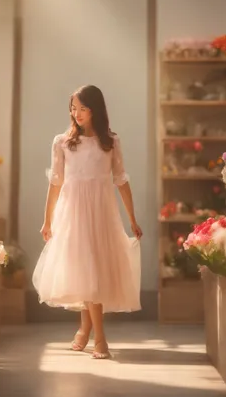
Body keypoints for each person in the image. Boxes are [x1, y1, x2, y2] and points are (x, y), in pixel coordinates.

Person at [33, 84, 142, 360]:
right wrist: (47, 220)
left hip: (102, 212)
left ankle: (84, 330)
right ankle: (100, 338)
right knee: (85, 267)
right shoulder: (62, 142)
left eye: (83, 108)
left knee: (94, 269)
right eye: (73, 108)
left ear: (95, 110)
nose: (76, 113)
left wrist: (132, 218)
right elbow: (55, 183)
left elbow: (121, 181)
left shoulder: (111, 142)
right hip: (72, 212)